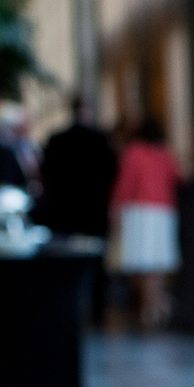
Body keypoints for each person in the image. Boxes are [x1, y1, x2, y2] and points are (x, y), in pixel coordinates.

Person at [41, 95, 118, 324]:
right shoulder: (100, 140)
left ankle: (64, 310)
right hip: (93, 211)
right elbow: (111, 173)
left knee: (63, 262)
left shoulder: (56, 140)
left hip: (63, 211)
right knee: (97, 264)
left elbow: (45, 173)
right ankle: (97, 312)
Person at [109, 118, 183, 329]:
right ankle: (157, 304)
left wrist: (116, 209)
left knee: (145, 264)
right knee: (157, 263)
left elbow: (125, 184)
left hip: (141, 212)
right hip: (164, 211)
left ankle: (152, 307)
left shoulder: (134, 152)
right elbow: (179, 176)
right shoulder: (165, 153)